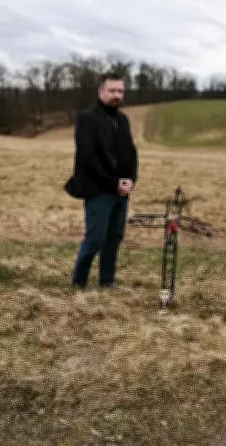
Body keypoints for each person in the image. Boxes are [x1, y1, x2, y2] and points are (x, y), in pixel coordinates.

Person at [64, 72, 139, 290]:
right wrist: (112, 183)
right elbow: (88, 157)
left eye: (120, 91)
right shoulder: (87, 118)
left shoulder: (122, 119)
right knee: (95, 238)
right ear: (101, 92)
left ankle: (107, 281)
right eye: (112, 90)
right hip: (98, 189)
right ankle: (79, 282)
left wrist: (130, 180)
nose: (117, 95)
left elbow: (130, 153)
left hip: (121, 191)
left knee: (114, 237)